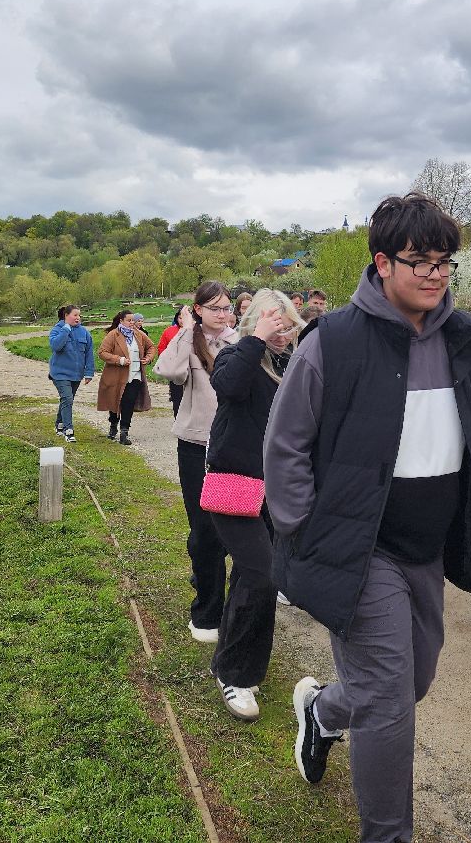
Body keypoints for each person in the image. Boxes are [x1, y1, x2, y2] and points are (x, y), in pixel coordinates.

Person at [264, 192, 471, 843]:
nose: (434, 273)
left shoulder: (463, 337)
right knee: (390, 705)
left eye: (443, 261)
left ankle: (321, 713)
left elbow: (469, 432)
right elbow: (284, 444)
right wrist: (306, 529)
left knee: (411, 680)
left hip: (424, 549)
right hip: (358, 548)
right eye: (419, 259)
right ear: (381, 263)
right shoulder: (334, 340)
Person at [204, 288, 302, 720]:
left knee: (251, 575)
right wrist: (255, 339)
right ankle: (237, 675)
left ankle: (229, 657)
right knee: (263, 576)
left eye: (285, 322)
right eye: (271, 321)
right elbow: (227, 386)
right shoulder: (235, 354)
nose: (280, 330)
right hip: (234, 484)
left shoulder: (296, 363)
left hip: (276, 490)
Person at [154, 282, 240, 642]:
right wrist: (188, 332)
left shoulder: (239, 342)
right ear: (198, 309)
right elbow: (167, 371)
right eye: (214, 308)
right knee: (204, 530)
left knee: (234, 529)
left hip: (235, 447)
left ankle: (235, 607)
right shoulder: (190, 340)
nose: (222, 314)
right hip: (197, 446)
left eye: (226, 308)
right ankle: (207, 611)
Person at [97, 311, 154, 444]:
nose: (132, 323)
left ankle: (124, 432)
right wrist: (120, 360)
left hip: (135, 376)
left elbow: (151, 347)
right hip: (116, 377)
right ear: (121, 321)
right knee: (115, 402)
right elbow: (102, 353)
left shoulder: (139, 335)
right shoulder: (113, 335)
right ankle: (113, 425)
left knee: (128, 403)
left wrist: (148, 358)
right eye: (129, 320)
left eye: (133, 320)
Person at [48, 304, 93, 442]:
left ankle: (59, 424)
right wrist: (66, 329)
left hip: (76, 374)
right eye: (75, 315)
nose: (78, 318)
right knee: (67, 398)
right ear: (66, 316)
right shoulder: (57, 330)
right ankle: (69, 430)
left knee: (67, 399)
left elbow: (89, 353)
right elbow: (56, 346)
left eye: (79, 315)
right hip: (60, 373)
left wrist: (89, 372)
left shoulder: (84, 332)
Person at [154, 308, 186, 417]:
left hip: (191, 369)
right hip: (174, 369)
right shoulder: (169, 331)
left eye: (184, 317)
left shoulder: (196, 331)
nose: (182, 320)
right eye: (180, 317)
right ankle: (178, 419)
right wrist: (169, 359)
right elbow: (161, 348)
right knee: (177, 397)